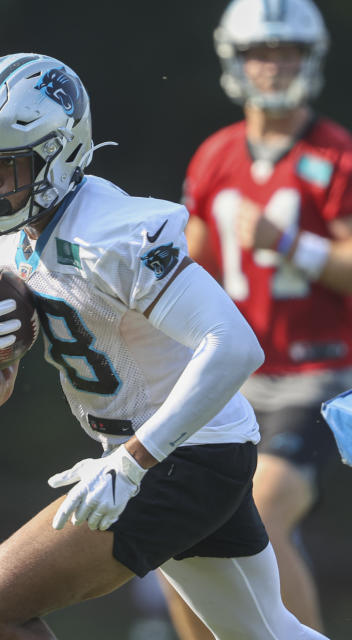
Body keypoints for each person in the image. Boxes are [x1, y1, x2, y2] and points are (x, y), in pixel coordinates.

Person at [0, 52, 328, 639]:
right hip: (175, 452)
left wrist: (134, 462)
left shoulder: (113, 234)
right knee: (264, 635)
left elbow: (235, 346)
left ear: (59, 154)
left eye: (5, 166)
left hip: (181, 455)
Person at [158, 0, 352, 636]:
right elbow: (191, 273)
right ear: (236, 60)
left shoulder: (336, 155)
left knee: (262, 513)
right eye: (261, 53)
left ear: (309, 58)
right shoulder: (215, 157)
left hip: (318, 376)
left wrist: (292, 243)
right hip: (234, 376)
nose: (273, 67)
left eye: (286, 52)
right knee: (173, 527)